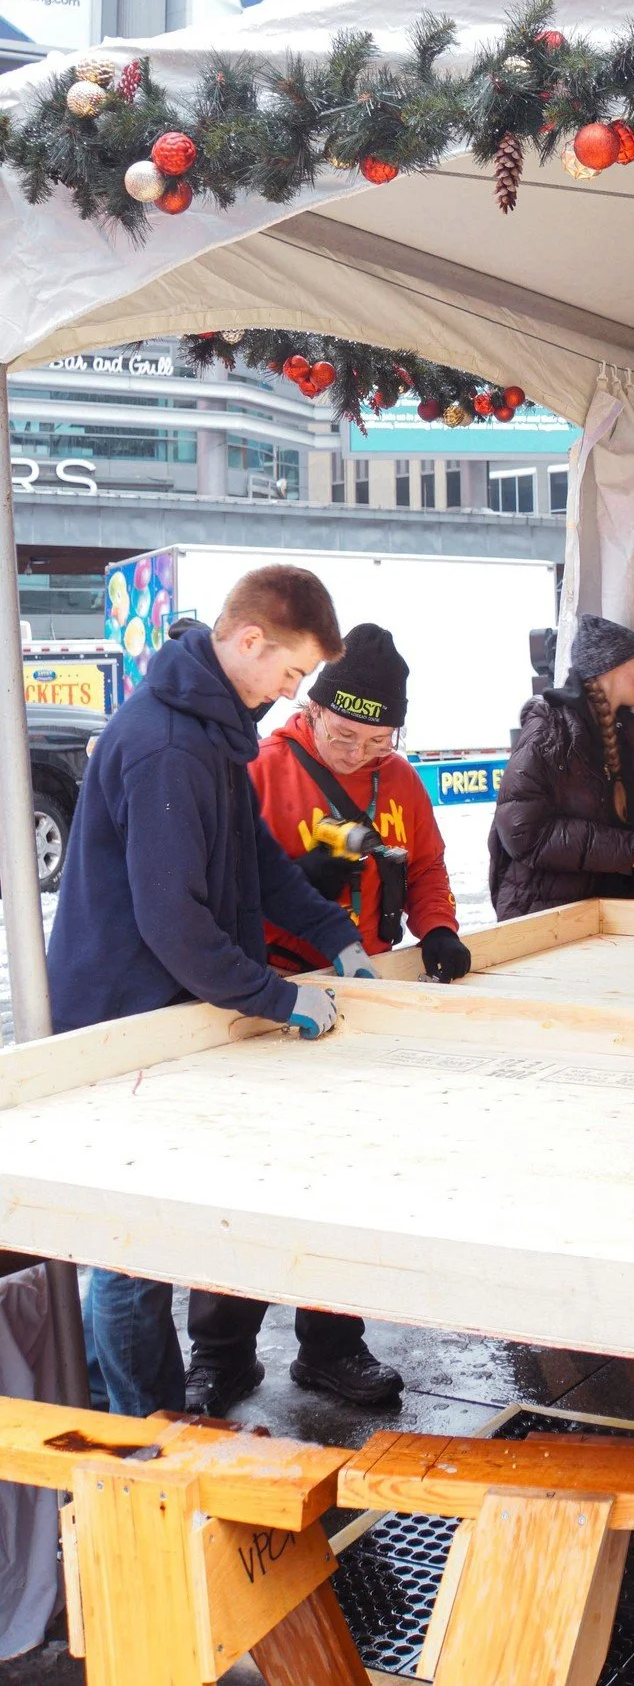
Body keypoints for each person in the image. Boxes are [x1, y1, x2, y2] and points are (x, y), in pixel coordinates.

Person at [47, 567, 376, 1418]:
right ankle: (153, 1434)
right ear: (248, 641)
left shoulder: (214, 734)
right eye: (292, 674)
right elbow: (173, 925)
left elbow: (258, 862)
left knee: (148, 1239)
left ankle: (125, 1404)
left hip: (171, 1021)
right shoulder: (167, 746)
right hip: (125, 1026)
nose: (290, 691)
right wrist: (274, 996)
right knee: (131, 1256)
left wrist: (336, 935)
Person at [184, 623, 468, 1416]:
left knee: (349, 1183)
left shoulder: (400, 782)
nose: (357, 752)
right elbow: (231, 880)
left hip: (359, 1002)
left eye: (377, 739)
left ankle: (333, 1347)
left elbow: (429, 869)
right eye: (344, 733)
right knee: (247, 1181)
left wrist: (438, 927)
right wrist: (302, 885)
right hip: (264, 1001)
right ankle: (221, 1354)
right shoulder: (261, 770)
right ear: (311, 711)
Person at [489, 614, 634, 920]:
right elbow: (521, 831)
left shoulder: (629, 741)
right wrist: (625, 849)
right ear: (612, 666)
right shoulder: (550, 731)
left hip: (609, 922)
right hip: (548, 921)